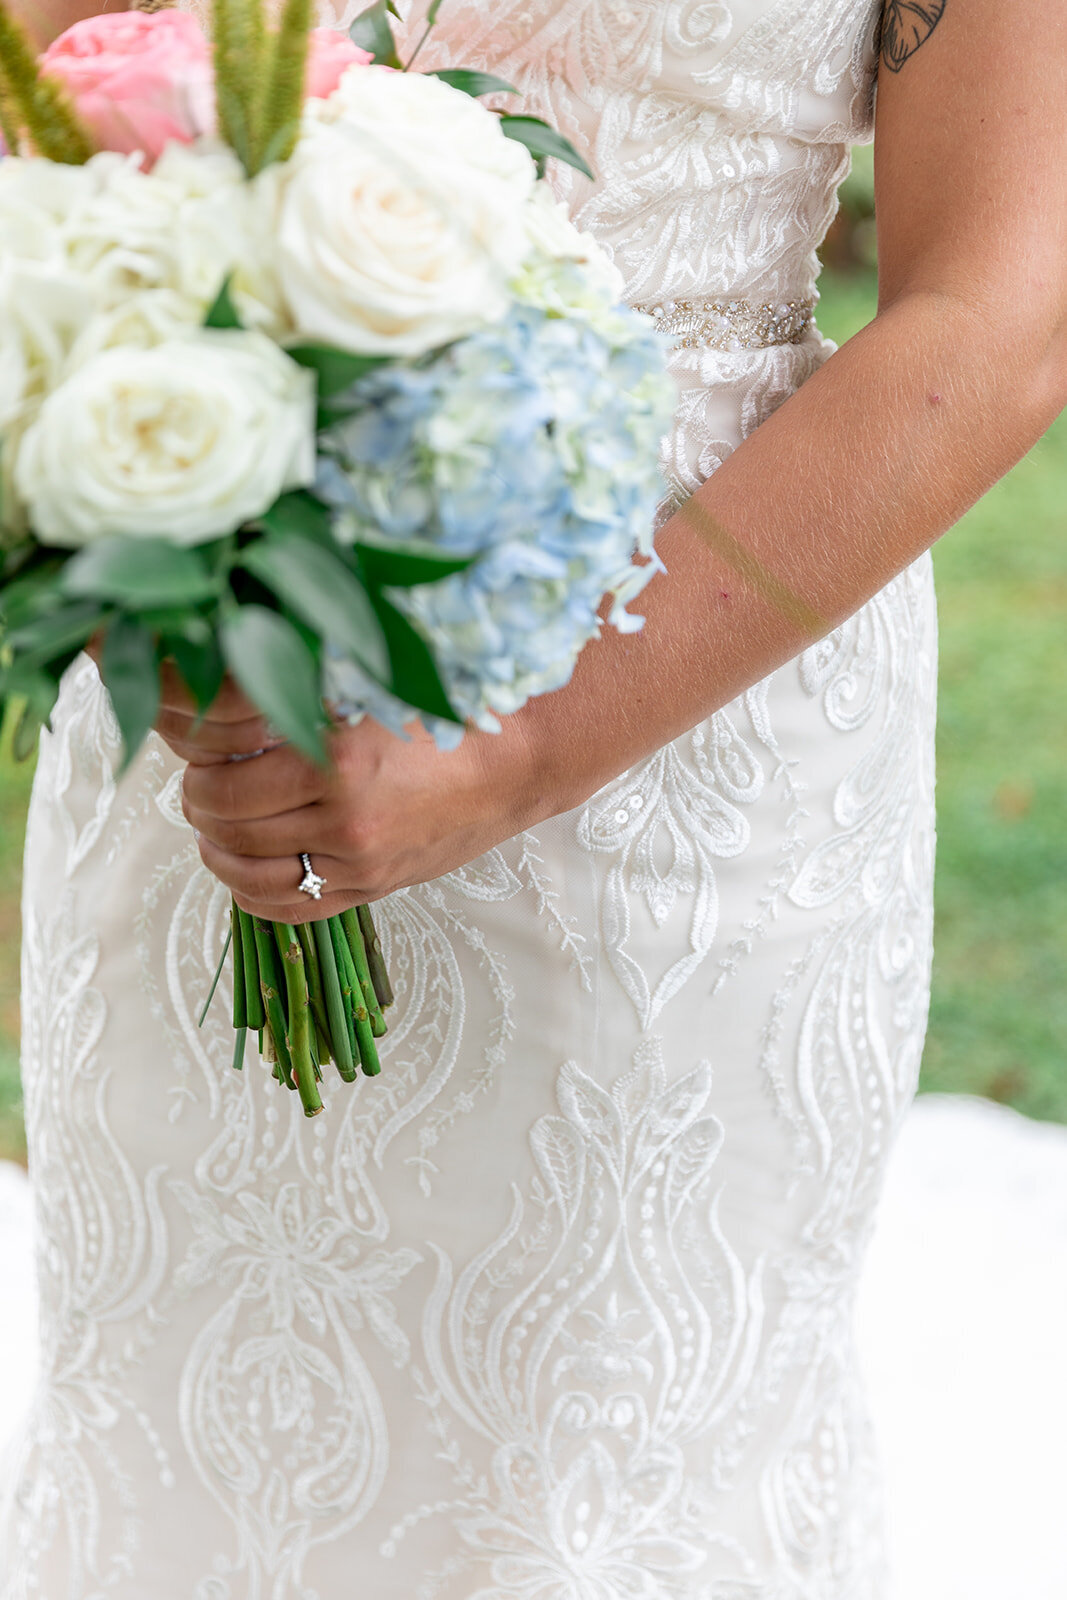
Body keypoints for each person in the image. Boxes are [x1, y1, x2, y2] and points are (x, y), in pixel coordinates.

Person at [2, 0, 1065, 1594]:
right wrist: (130, 553)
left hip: (687, 728)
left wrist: (527, 752)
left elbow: (1000, 306)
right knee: (190, 1443)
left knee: (604, 1483)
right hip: (200, 591)